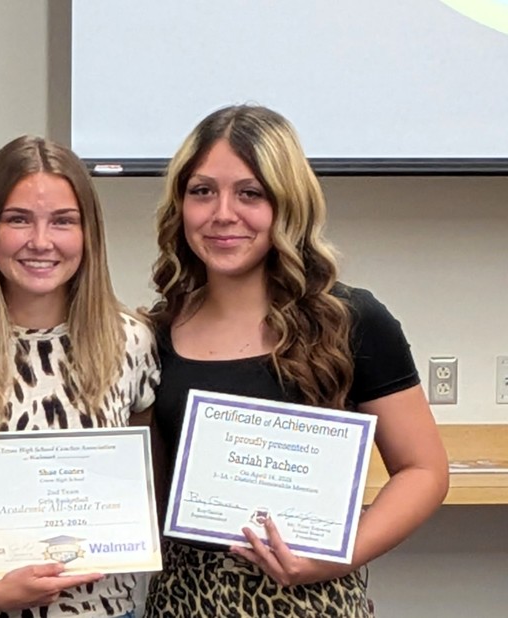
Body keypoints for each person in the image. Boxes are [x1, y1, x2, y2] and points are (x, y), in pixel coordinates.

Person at [142, 105, 449, 617]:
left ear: (288, 204)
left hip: (313, 602)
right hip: (182, 603)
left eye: (250, 193)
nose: (222, 213)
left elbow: (424, 471)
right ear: (179, 205)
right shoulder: (153, 334)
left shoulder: (351, 319)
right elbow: (146, 489)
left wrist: (336, 557)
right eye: (202, 191)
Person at [0, 135, 161, 617]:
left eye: (63, 221)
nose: (41, 242)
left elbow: (145, 486)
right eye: (18, 219)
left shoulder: (133, 342)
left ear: (89, 234)